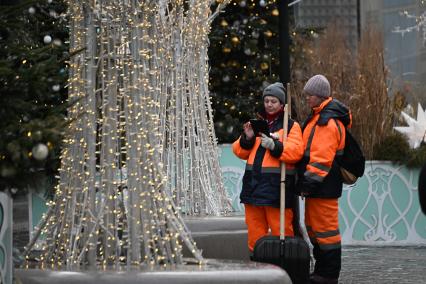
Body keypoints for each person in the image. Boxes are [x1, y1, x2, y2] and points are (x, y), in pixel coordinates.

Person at [232, 82, 304, 257]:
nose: (269, 105)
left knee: (282, 230)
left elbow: (296, 151)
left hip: (276, 188)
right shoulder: (258, 123)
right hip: (253, 187)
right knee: (255, 231)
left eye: (273, 101)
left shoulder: (290, 126)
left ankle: (285, 264)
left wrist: (275, 145)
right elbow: (239, 151)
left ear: (282, 104)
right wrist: (247, 139)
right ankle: (258, 265)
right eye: (267, 101)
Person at [297, 75, 351, 284]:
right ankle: (321, 272)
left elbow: (321, 160)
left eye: (309, 95)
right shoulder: (318, 116)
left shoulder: (326, 121)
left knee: (326, 232)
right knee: (314, 228)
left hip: (323, 187)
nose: (307, 99)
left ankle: (328, 275)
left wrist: (307, 185)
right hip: (319, 188)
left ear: (319, 96)